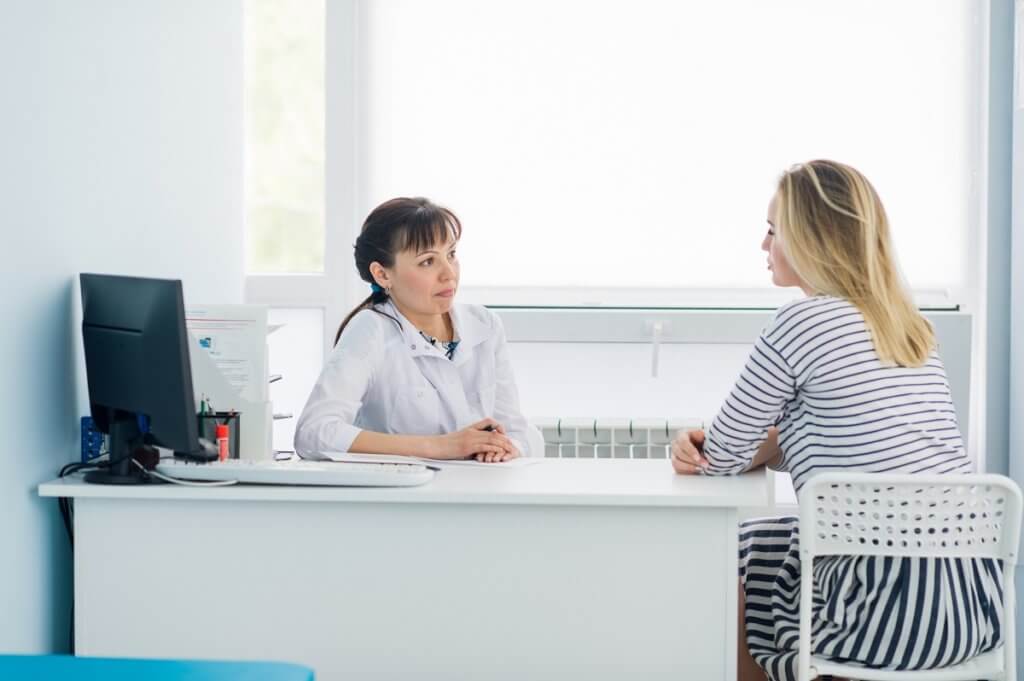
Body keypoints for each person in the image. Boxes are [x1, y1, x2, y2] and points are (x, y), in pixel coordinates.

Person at [670, 160, 1003, 681]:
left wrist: (702, 446)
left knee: (726, 547)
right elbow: (845, 439)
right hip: (969, 609)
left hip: (883, 621)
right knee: (776, 544)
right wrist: (771, 445)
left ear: (810, 240)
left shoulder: (800, 321)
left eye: (774, 231)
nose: (763, 245)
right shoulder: (911, 326)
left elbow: (722, 456)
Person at [295, 197, 539, 462]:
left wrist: (505, 447)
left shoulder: (484, 324)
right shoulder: (371, 329)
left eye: (451, 254)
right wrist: (440, 447)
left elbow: (516, 430)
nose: (449, 274)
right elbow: (314, 432)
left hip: (478, 489)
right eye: (427, 262)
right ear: (382, 274)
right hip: (401, 496)